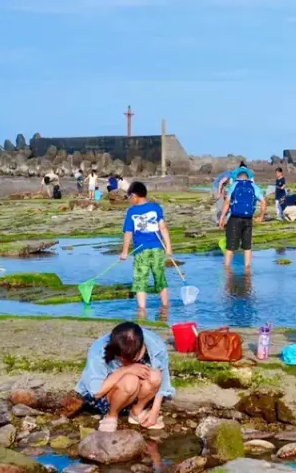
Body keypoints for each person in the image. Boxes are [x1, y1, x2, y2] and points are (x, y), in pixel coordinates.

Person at [76, 322, 174, 432]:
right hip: (106, 396)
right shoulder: (99, 350)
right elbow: (97, 392)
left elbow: (164, 380)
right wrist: (126, 369)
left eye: (134, 357)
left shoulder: (155, 344)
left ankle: (136, 411)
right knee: (130, 380)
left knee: (155, 376)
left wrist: (155, 410)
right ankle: (112, 415)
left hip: (133, 395)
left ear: (142, 346)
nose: (127, 361)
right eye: (123, 358)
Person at [121, 181, 173, 312]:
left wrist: (125, 252)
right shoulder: (156, 207)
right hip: (157, 250)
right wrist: (169, 247)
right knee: (160, 278)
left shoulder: (132, 211)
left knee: (140, 280)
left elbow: (128, 233)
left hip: (141, 251)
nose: (129, 200)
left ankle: (142, 310)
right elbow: (163, 227)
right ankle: (165, 308)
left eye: (129, 197)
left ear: (134, 196)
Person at [219, 167, 266, 269]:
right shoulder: (254, 187)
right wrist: (261, 217)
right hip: (248, 219)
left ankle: (227, 269)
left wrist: (222, 218)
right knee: (247, 247)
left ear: (237, 177)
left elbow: (227, 203)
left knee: (230, 247)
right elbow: (263, 202)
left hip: (235, 218)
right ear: (248, 177)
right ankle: (248, 270)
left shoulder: (234, 185)